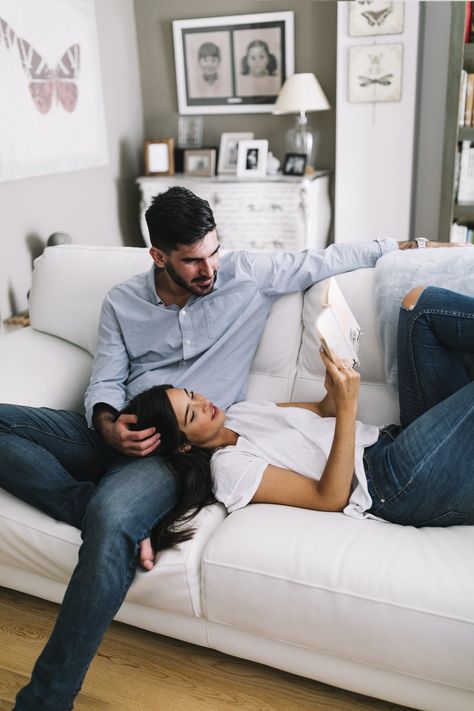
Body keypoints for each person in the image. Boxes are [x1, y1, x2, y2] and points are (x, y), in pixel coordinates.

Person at [0, 186, 464, 709]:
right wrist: (108, 426)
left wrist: (417, 245)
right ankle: (76, 501)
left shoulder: (245, 275)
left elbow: (330, 257)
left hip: (172, 455)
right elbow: (105, 381)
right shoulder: (122, 303)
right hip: (123, 428)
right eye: (192, 260)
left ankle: (44, 699)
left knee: (111, 519)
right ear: (159, 256)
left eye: (214, 251)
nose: (209, 268)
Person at [124, 285, 474, 532]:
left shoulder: (241, 412)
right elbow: (330, 497)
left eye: (192, 394)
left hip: (395, 442)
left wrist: (332, 384)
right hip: (388, 483)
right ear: (184, 444)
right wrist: (349, 408)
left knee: (419, 307)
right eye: (192, 413)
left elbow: (323, 412)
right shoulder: (229, 468)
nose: (204, 403)